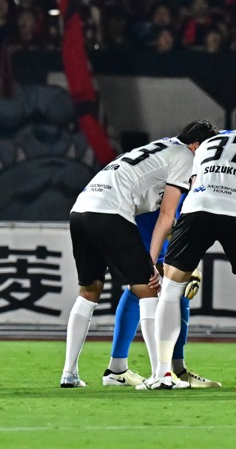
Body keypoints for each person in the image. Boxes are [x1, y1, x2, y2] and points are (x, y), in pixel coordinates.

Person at [61, 120, 217, 388]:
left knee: (89, 291)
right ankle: (161, 374)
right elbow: (167, 216)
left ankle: (70, 373)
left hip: (81, 209)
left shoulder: (162, 147)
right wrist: (151, 263)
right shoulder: (185, 157)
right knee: (148, 288)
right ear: (196, 146)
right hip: (111, 211)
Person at [140, 103, 236, 389]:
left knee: (171, 291)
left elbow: (196, 181)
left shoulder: (210, 141)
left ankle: (162, 374)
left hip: (196, 207)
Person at [102, 189, 219, 388]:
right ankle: (170, 371)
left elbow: (174, 220)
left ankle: (119, 368)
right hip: (149, 224)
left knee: (149, 288)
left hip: (146, 221)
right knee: (163, 286)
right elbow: (171, 216)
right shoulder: (184, 164)